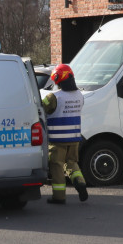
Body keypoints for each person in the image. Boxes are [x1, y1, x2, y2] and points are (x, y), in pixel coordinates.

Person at [42, 64, 88, 204]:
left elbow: (41, 108)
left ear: (58, 79)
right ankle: (79, 181)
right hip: (74, 138)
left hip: (57, 140)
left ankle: (59, 197)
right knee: (72, 163)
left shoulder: (53, 97)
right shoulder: (80, 95)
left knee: (57, 166)